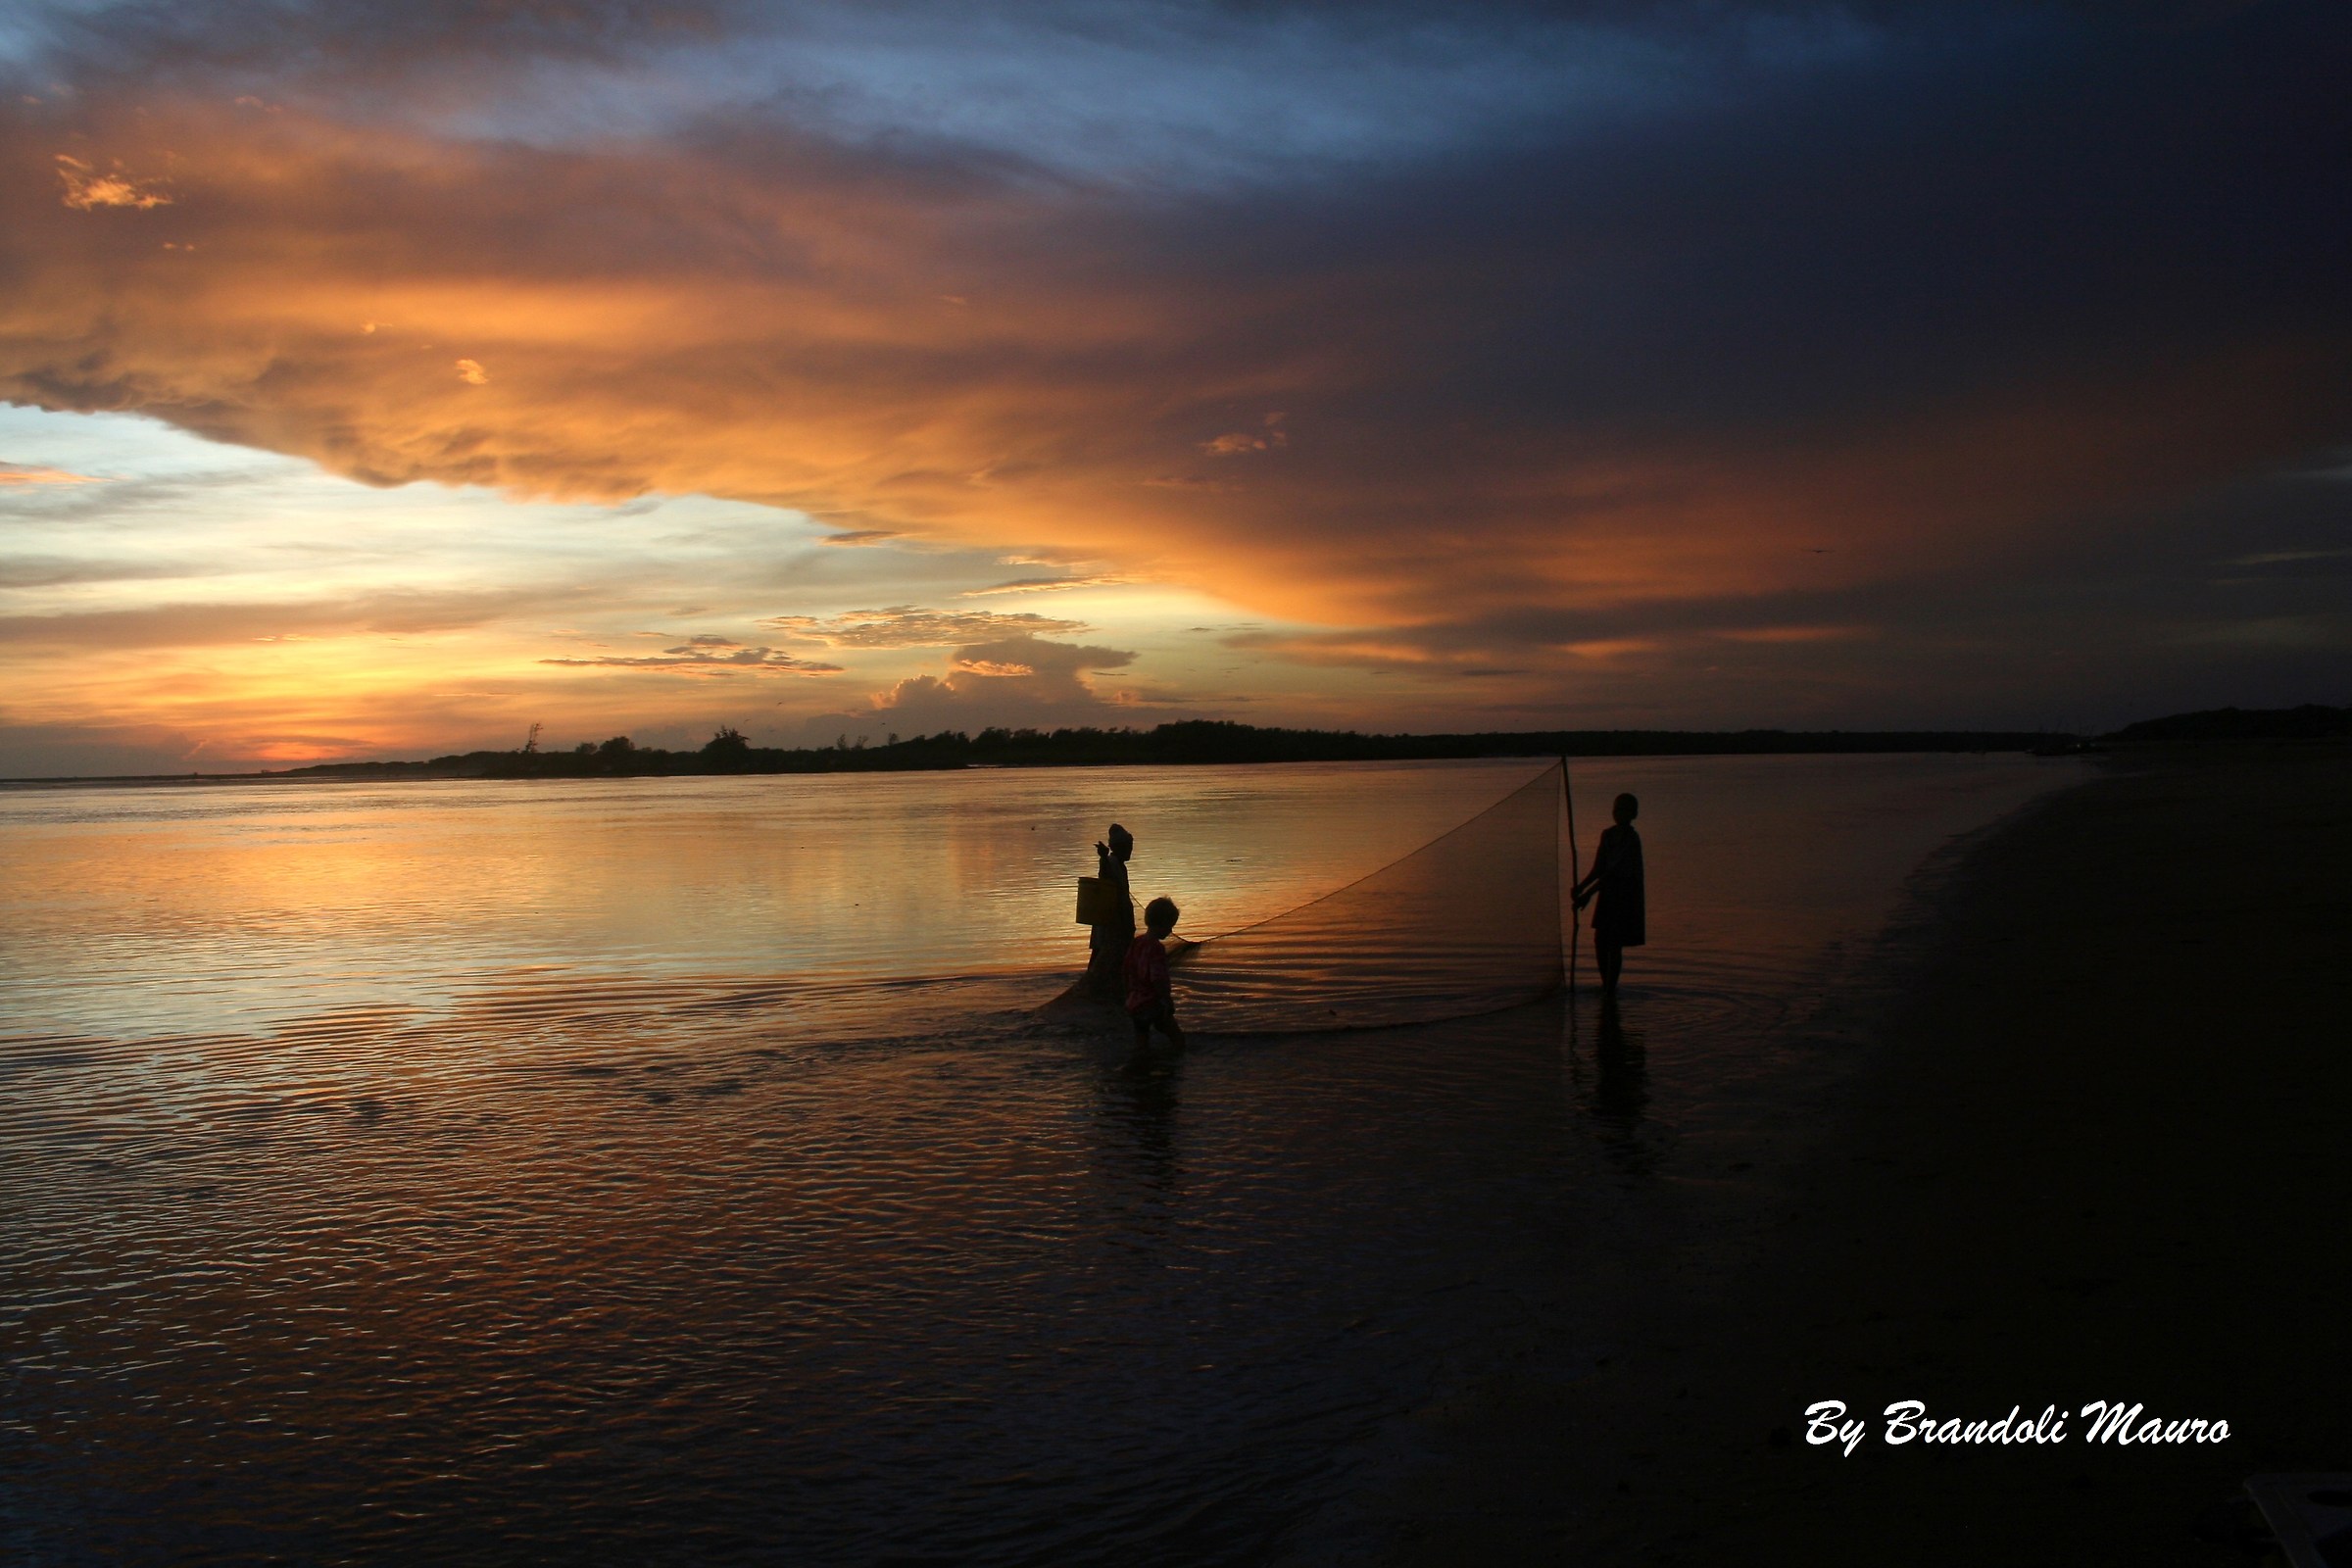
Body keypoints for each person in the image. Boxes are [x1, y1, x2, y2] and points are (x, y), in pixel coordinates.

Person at [1572, 792, 1645, 995]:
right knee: (1600, 939)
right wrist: (1581, 887)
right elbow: (1599, 867)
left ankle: (1610, 988)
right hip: (1607, 895)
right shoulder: (1607, 835)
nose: (1617, 813)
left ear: (1632, 814)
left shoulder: (1631, 839)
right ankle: (1606, 984)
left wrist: (1587, 894)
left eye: (1622, 809)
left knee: (1615, 943)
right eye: (1616, 809)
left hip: (1623, 897)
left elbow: (1614, 873)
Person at [1124, 896, 1187, 1052]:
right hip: (1153, 1004)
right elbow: (1158, 979)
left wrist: (1129, 993)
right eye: (1169, 926)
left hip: (1135, 1003)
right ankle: (1173, 1068)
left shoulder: (1137, 942)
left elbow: (1126, 968)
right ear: (1161, 924)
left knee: (1142, 1042)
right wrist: (1167, 1000)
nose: (1170, 931)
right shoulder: (1156, 948)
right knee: (1177, 1039)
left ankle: (1141, 1067)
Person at [1087, 822, 1137, 1001]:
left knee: (1106, 960)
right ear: (1119, 848)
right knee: (1105, 959)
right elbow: (1104, 876)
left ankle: (1107, 992)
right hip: (1112, 925)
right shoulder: (1112, 862)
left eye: (1131, 847)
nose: (1130, 851)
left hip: (1118, 923)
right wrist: (1103, 857)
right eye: (1128, 847)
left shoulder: (1120, 865)